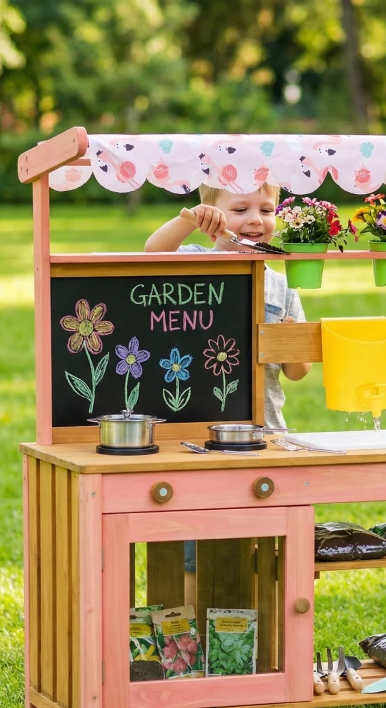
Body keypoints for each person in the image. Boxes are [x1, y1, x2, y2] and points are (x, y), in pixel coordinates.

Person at [145, 182, 312, 602]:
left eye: (266, 209)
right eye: (239, 209)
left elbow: (297, 371)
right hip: (198, 437)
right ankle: (190, 632)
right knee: (194, 547)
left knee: (259, 544)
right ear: (212, 214)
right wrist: (189, 219)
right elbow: (151, 254)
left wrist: (289, 342)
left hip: (265, 433)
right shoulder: (194, 261)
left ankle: (253, 641)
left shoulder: (283, 285)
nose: (256, 220)